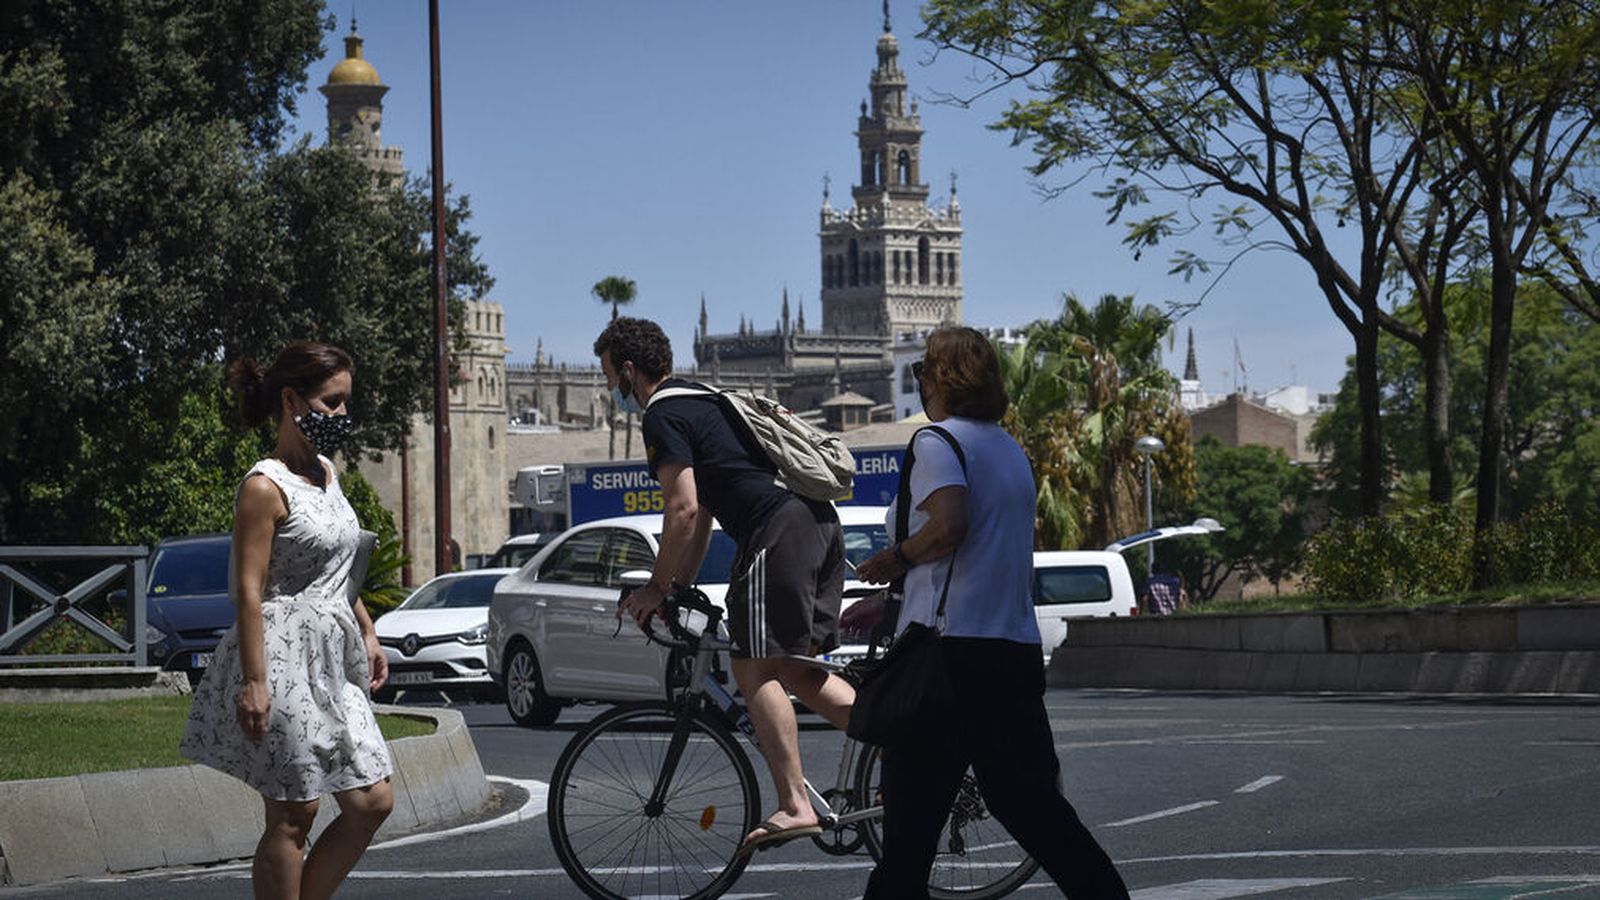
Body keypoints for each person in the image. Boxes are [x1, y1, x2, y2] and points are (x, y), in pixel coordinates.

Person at [854, 327, 1129, 899]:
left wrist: (894, 558)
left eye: (922, 372)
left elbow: (950, 527)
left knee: (908, 832)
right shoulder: (1007, 449)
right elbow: (988, 552)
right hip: (1012, 651)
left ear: (943, 379)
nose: (920, 382)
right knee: (1033, 809)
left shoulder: (937, 444)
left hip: (949, 663)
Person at [597, 317, 855, 854]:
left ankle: (795, 804)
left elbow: (684, 508)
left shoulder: (663, 413)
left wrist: (652, 588)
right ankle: (904, 743)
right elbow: (707, 510)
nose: (609, 391)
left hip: (777, 530)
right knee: (798, 669)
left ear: (628, 370)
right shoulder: (703, 398)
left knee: (753, 666)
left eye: (608, 377)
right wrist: (678, 586)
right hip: (820, 525)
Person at [181, 341, 394, 900]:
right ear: (291, 400)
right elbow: (247, 591)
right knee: (295, 810)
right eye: (332, 403)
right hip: (280, 654)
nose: (342, 416)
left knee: (373, 800)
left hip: (333, 652)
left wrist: (367, 631)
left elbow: (339, 565)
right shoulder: (262, 486)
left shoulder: (327, 473)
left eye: (346, 402)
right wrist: (255, 682)